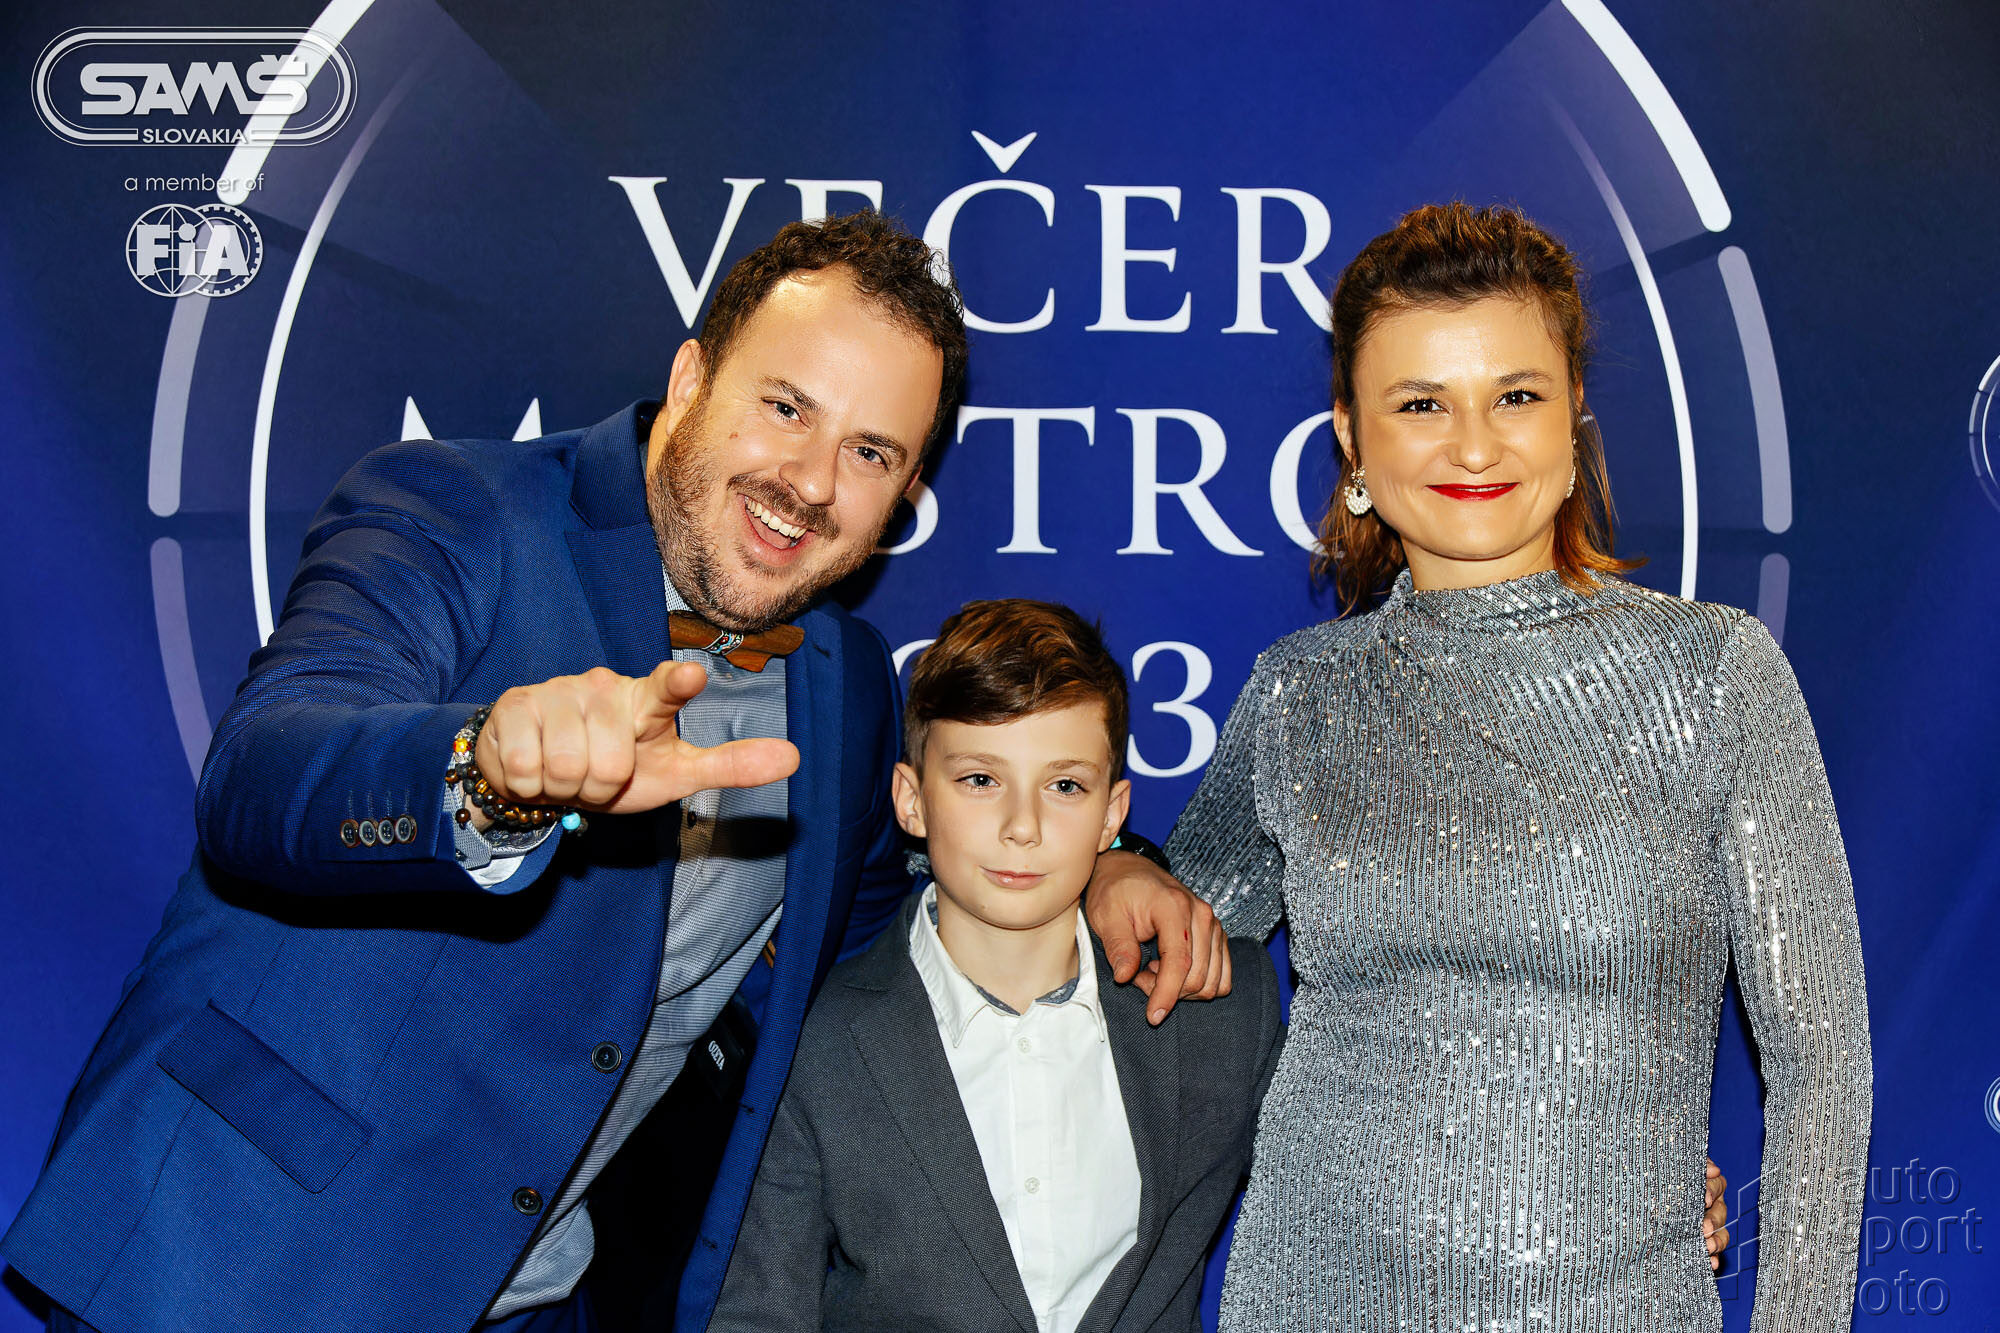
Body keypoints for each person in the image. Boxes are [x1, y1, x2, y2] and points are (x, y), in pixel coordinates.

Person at [2, 212, 1224, 1333]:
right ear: (691, 379)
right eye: (785, 407)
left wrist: (1104, 865)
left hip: (540, 1300)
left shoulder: (846, 681)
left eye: (868, 451)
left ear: (903, 492)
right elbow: (264, 775)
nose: (810, 483)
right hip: (240, 1262)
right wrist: (485, 772)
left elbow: (897, 923)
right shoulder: (459, 510)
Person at [1157, 204, 1871, 1329]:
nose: (1475, 446)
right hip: (1313, 1294)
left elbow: (1822, 1066)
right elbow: (1154, 936)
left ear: (1573, 415)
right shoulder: (1301, 693)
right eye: (1420, 404)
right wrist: (1114, 864)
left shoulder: (1714, 673)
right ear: (1351, 438)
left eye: (1516, 396)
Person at [708, 599, 1283, 1333]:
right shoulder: (818, 1040)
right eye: (981, 779)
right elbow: (759, 1311)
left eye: (1064, 785)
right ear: (911, 801)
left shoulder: (1225, 1009)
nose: (1022, 826)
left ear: (1112, 815)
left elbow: (1325, 1249)